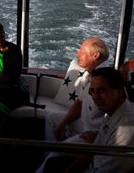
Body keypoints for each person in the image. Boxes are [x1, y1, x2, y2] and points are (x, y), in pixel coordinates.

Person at [35, 37, 109, 173]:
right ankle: (52, 157)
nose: (78, 54)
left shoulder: (106, 81)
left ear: (95, 55)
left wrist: (98, 135)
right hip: (85, 122)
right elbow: (80, 104)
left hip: (94, 134)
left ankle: (53, 158)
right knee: (52, 119)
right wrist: (62, 124)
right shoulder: (89, 76)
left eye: (82, 51)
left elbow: (114, 117)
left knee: (58, 152)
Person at [62, 67, 134, 173]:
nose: (95, 97)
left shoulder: (126, 130)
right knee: (55, 161)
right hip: (96, 164)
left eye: (102, 90)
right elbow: (93, 150)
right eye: (92, 91)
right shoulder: (113, 111)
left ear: (119, 91)